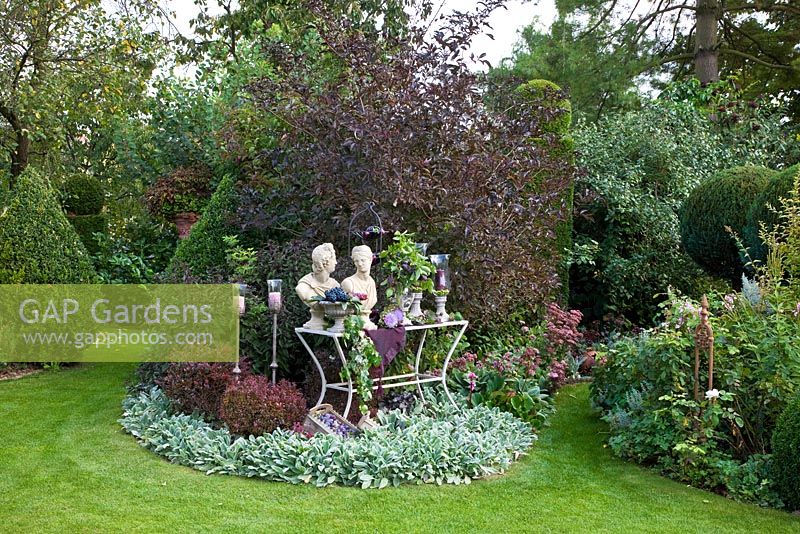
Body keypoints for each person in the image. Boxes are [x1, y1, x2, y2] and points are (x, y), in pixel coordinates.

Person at [296, 243, 339, 329]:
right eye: (333, 259)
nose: (336, 262)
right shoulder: (304, 286)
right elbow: (304, 294)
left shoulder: (335, 286)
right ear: (324, 262)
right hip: (314, 323)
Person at [341, 245, 378, 329]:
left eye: (363, 260)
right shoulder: (348, 283)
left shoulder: (372, 282)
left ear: (370, 260)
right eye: (356, 261)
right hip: (354, 324)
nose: (360, 264)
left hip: (368, 322)